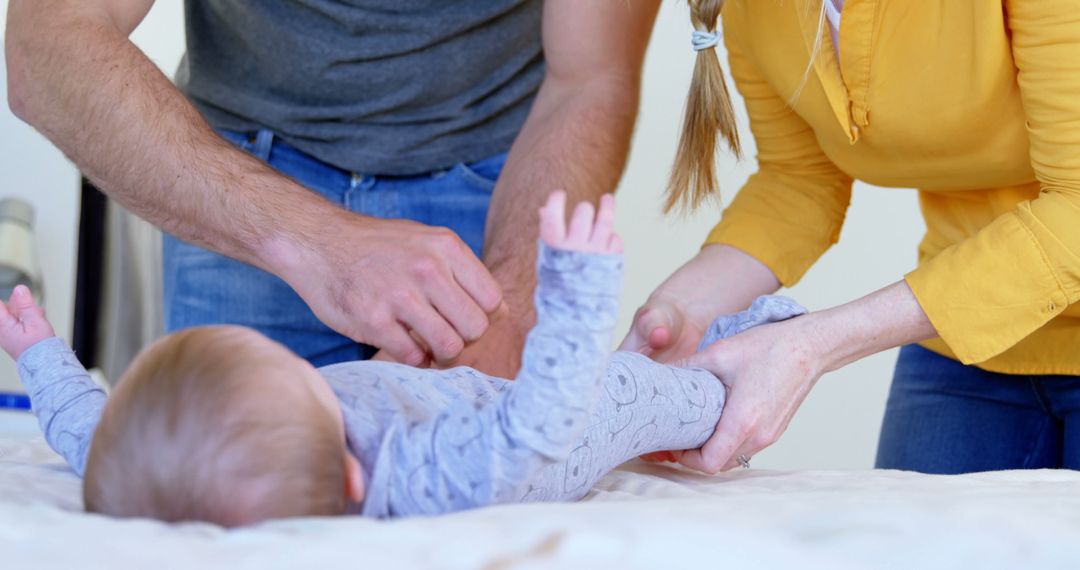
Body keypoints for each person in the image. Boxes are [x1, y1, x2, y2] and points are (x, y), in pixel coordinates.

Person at [0, 192, 806, 526]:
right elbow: (537, 426)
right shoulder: (424, 475)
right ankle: (757, 347)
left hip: (467, 400)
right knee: (628, 394)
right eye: (304, 382)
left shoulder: (153, 460)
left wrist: (39, 353)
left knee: (612, 375)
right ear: (355, 478)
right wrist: (575, 296)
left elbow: (92, 433)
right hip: (531, 441)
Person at [5, 0, 659, 375]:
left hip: (500, 186)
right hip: (242, 185)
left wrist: (510, 306)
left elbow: (590, 80)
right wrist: (315, 243)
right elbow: (49, 43)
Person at [622, 0, 1080, 474]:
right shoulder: (753, 8)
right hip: (963, 340)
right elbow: (801, 181)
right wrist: (684, 308)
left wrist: (813, 345)